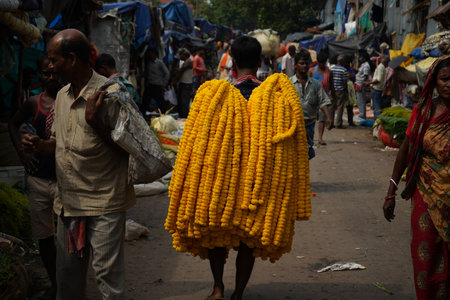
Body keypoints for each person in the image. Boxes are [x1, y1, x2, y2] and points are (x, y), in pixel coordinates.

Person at [22, 29, 135, 300]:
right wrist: (39, 145)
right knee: (68, 281)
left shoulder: (111, 94)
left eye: (53, 59)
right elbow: (58, 143)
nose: (49, 66)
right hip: (69, 206)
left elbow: (129, 150)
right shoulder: (61, 96)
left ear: (71, 59)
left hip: (103, 203)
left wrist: (96, 121)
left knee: (109, 283)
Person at [383, 55, 449, 300]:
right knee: (427, 252)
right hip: (426, 193)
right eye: (444, 79)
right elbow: (405, 151)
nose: (449, 84)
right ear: (434, 81)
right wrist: (391, 192)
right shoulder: (424, 112)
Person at [206, 36, 262, 300]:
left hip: (222, 177)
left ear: (233, 63)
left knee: (218, 231)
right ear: (260, 62)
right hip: (257, 179)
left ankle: (218, 287)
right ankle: (238, 293)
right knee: (248, 239)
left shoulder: (217, 95)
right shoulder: (270, 97)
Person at [9, 53, 60, 300]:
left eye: (54, 73)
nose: (50, 77)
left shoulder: (70, 101)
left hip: (64, 180)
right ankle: (55, 283)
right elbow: (13, 124)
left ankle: (68, 282)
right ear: (40, 75)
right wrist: (22, 154)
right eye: (45, 73)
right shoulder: (33, 102)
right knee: (44, 236)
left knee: (70, 235)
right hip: (39, 179)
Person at [291, 50, 332, 159]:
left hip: (309, 126)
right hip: (293, 127)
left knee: (305, 156)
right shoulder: (288, 83)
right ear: (295, 65)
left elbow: (323, 100)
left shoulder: (315, 84)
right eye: (301, 63)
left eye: (306, 63)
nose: (304, 66)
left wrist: (328, 117)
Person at [308, 51, 332, 144]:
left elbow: (331, 86)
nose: (322, 64)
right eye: (320, 62)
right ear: (317, 61)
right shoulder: (312, 71)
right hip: (312, 98)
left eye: (323, 62)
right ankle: (311, 137)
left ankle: (320, 138)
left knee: (322, 119)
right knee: (311, 119)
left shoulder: (329, 72)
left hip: (323, 99)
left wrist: (334, 98)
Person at [142, 48, 170, 113]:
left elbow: (167, 73)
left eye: (152, 54)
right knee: (145, 100)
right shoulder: (148, 62)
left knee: (160, 102)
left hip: (157, 85)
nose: (150, 55)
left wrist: (164, 84)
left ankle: (164, 114)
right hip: (150, 84)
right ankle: (143, 114)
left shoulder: (159, 63)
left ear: (155, 55)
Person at [173, 48, 194, 118]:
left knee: (184, 102)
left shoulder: (189, 62)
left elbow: (181, 71)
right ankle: (182, 116)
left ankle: (184, 117)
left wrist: (175, 79)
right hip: (183, 84)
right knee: (181, 101)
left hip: (186, 84)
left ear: (184, 55)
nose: (179, 56)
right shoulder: (185, 61)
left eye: (180, 55)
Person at [329, 55, 349, 128]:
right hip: (340, 90)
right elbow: (344, 82)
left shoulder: (331, 68)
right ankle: (338, 124)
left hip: (332, 90)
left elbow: (329, 80)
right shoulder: (344, 70)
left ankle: (330, 122)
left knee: (331, 106)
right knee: (340, 106)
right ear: (342, 61)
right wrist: (346, 92)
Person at [354, 52, 371, 120]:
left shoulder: (366, 65)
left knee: (361, 101)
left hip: (361, 85)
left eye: (361, 57)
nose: (360, 58)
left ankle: (362, 115)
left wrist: (361, 85)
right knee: (359, 100)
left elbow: (365, 76)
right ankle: (361, 114)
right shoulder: (363, 64)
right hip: (358, 83)